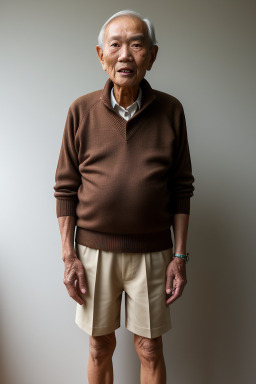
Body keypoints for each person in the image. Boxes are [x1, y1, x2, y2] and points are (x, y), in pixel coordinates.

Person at [53, 9, 195, 384]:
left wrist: (179, 256)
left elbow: (182, 190)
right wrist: (69, 256)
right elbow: (65, 190)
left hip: (152, 254)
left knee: (150, 348)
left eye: (136, 45)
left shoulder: (171, 111)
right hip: (93, 253)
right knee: (100, 346)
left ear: (152, 55)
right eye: (115, 45)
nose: (125, 55)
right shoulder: (80, 111)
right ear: (101, 56)